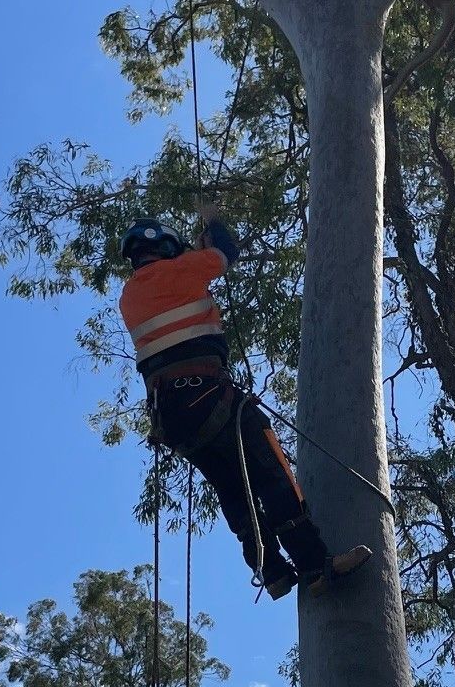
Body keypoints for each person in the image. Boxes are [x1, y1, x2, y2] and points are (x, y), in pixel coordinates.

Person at [118, 208, 371, 599]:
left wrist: (194, 257)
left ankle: (273, 572)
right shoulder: (183, 269)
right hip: (209, 396)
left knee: (234, 491)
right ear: (166, 246)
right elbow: (225, 253)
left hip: (172, 418)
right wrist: (215, 221)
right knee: (271, 470)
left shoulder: (129, 295)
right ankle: (314, 564)